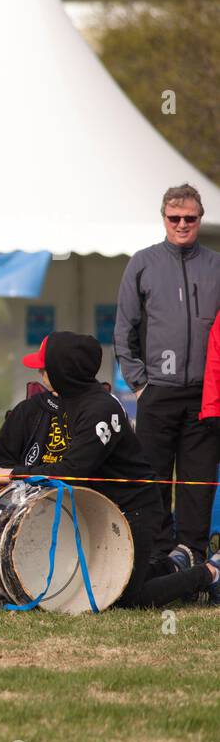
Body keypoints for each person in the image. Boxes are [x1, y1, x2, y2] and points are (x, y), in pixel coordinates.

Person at [0, 332, 218, 608]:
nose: (39, 370)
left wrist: (13, 474)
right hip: (98, 508)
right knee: (104, 584)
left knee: (126, 598)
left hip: (133, 509)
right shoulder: (66, 401)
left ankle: (209, 573)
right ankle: (175, 565)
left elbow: (72, 471)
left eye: (45, 366)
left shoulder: (102, 409)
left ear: (65, 371)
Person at [114, 184, 220, 570]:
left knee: (198, 481)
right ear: (163, 219)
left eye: (189, 218)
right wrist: (139, 384)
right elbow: (124, 327)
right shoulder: (142, 263)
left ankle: (192, 555)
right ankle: (155, 555)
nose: (182, 224)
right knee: (153, 478)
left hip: (204, 397)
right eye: (174, 218)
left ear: (199, 219)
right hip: (157, 392)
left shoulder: (215, 265)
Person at [0, 336, 69, 517]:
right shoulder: (27, 409)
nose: (39, 371)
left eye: (43, 368)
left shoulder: (90, 410)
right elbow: (0, 457)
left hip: (70, 486)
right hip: (24, 485)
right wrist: (15, 475)